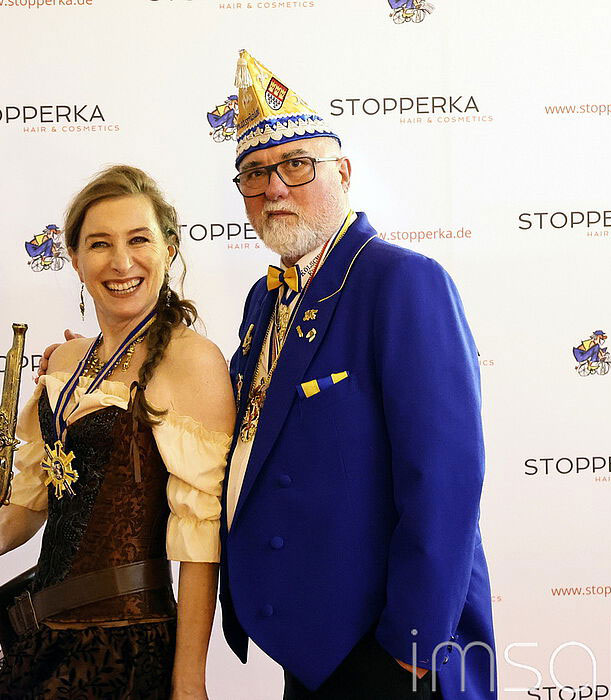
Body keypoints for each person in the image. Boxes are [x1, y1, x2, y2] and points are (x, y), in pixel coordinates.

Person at [221, 50, 493, 699]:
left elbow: (445, 475)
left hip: (391, 646)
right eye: (254, 174)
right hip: (312, 643)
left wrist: (413, 645)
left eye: (296, 165)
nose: (274, 188)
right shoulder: (263, 300)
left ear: (342, 172)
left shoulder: (402, 280)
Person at [0, 165, 234, 699]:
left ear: (169, 249)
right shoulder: (67, 361)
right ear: (75, 259)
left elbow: (200, 540)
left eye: (139, 240)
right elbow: (39, 499)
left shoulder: (194, 361)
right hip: (41, 636)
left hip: (128, 650)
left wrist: (189, 680)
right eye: (100, 244)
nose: (121, 262)